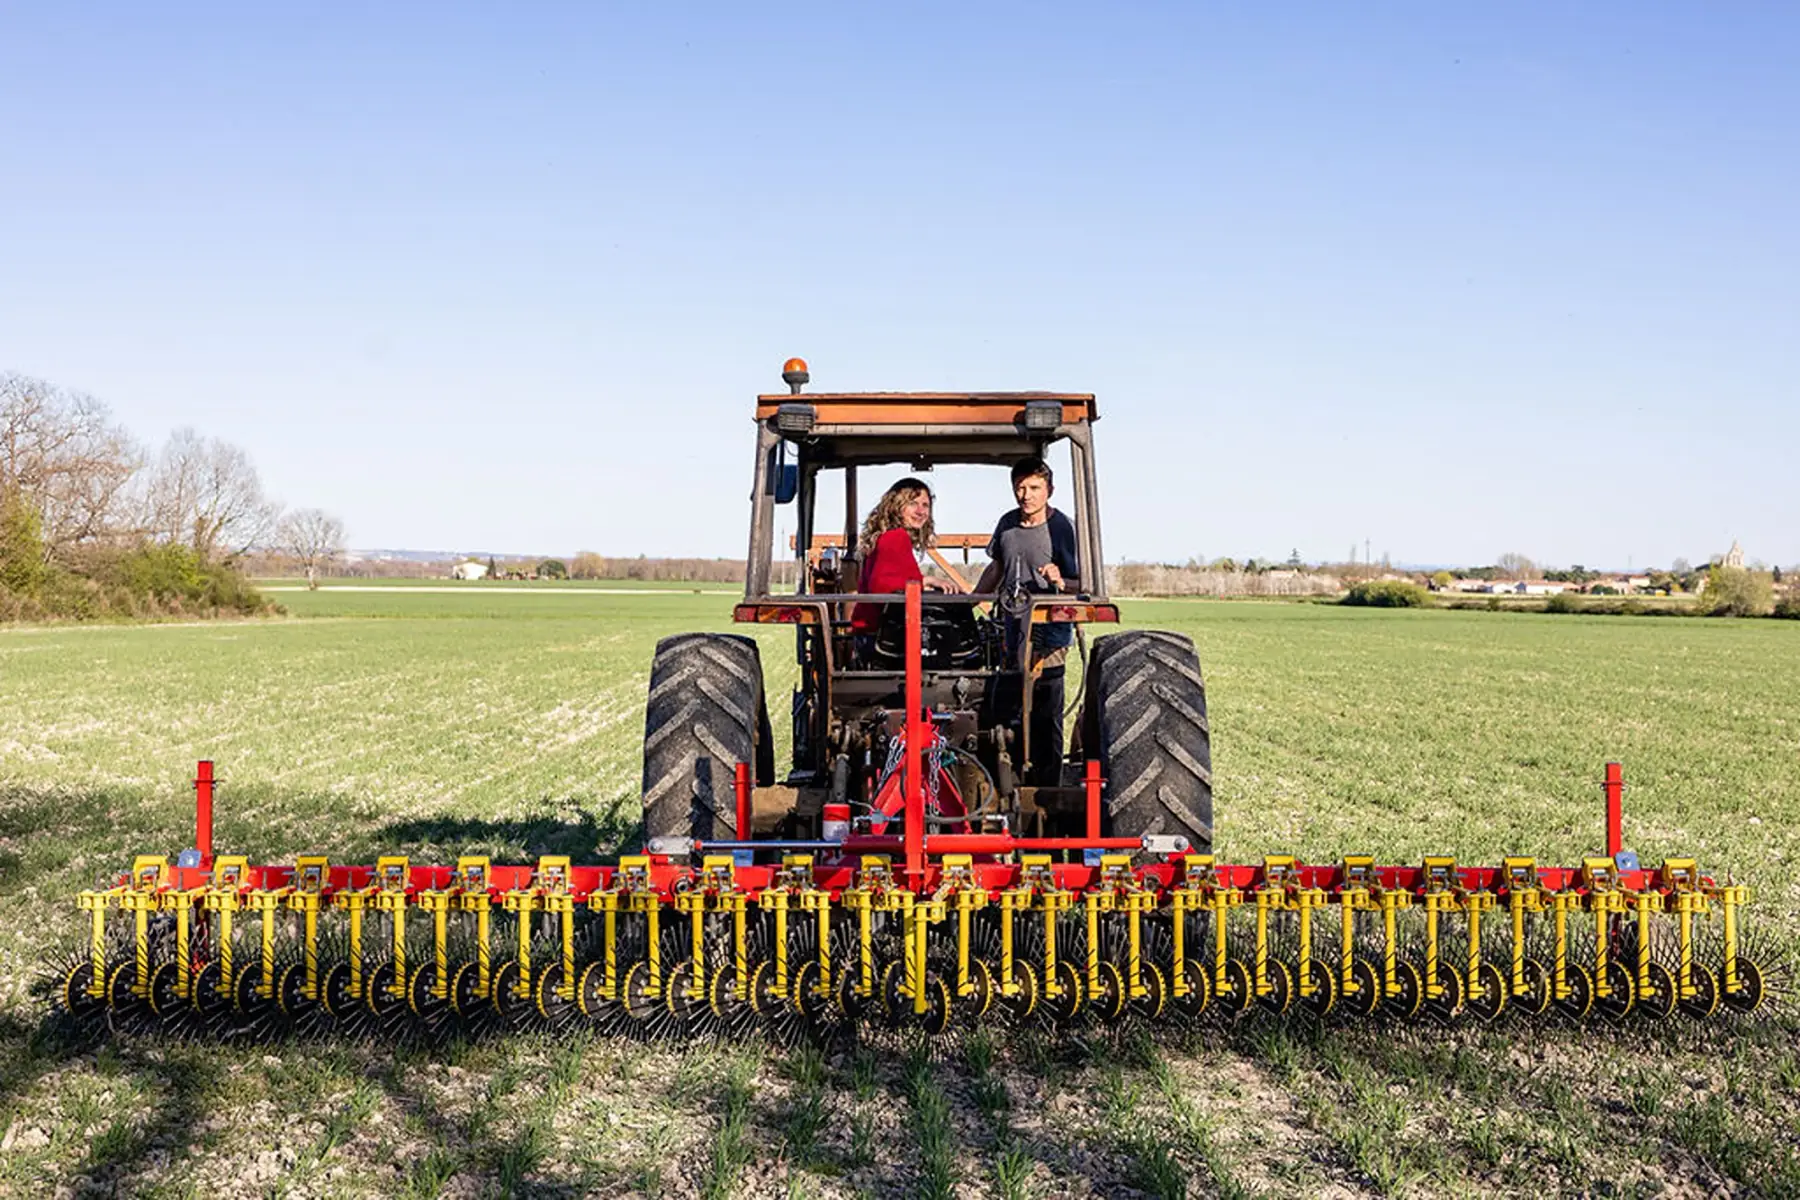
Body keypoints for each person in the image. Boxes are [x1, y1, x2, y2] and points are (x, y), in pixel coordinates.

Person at [974, 456, 1081, 787]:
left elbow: (1081, 584)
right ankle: (1009, 779)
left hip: (1048, 637)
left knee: (1045, 711)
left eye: (1034, 487)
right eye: (1020, 487)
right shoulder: (1007, 524)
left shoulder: (1062, 527)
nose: (1026, 495)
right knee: (1007, 706)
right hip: (1009, 633)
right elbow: (997, 569)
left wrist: (1060, 579)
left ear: (1049, 490)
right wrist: (969, 601)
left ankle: (1048, 786)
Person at [851, 478, 953, 639]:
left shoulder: (889, 537)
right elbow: (881, 586)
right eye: (913, 503)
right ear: (896, 507)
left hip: (872, 632)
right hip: (882, 636)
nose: (921, 511)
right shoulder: (896, 538)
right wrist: (926, 581)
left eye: (925, 505)